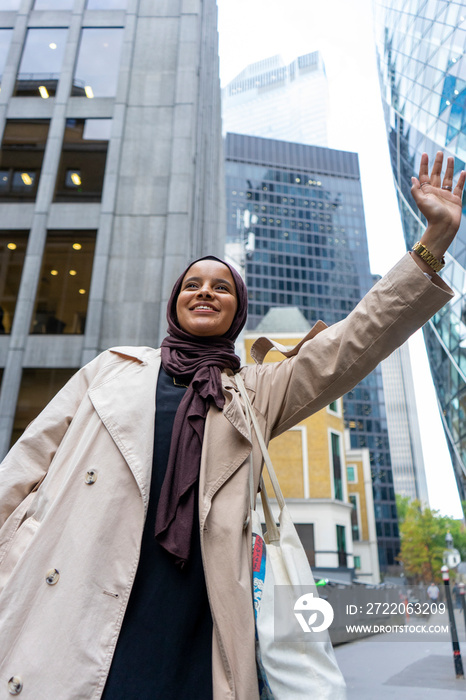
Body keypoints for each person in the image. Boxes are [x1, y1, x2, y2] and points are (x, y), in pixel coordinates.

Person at [0, 153, 464, 699]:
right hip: (70, 593)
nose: (204, 291)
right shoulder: (111, 369)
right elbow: (25, 467)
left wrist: (434, 240)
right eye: (192, 283)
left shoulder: (254, 392)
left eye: (221, 287)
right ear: (175, 302)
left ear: (236, 311)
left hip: (197, 613)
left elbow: (354, 341)